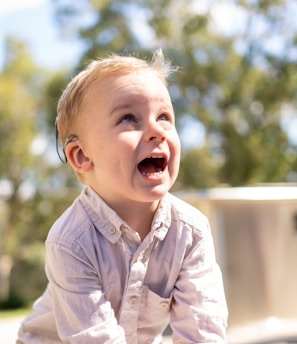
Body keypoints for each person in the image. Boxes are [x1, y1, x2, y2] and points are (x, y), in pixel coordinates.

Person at [17, 50, 228, 343]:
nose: (157, 131)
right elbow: (96, 338)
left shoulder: (191, 232)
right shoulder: (71, 242)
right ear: (81, 157)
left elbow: (202, 331)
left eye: (164, 116)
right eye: (128, 118)